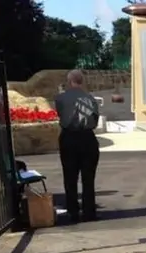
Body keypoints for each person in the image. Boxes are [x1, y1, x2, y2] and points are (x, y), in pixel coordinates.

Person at [54, 69, 100, 223]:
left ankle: (73, 211)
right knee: (88, 178)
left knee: (70, 176)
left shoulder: (60, 98)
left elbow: (61, 114)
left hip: (69, 137)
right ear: (82, 81)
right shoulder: (91, 99)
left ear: (69, 81)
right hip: (88, 138)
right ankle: (89, 212)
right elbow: (95, 120)